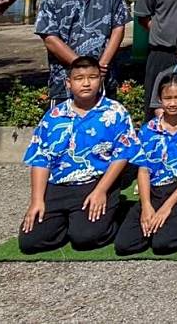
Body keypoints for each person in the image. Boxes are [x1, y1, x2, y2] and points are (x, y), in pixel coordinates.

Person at [19, 56, 137, 254]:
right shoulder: (54, 116)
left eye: (92, 77)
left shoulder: (115, 112)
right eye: (79, 78)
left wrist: (101, 190)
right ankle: (66, 222)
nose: (86, 83)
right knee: (30, 242)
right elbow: (40, 158)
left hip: (96, 182)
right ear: (68, 83)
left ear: (100, 80)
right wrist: (36, 200)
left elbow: (122, 155)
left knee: (86, 238)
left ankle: (114, 212)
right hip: (59, 185)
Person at [115, 73, 177, 256]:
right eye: (168, 98)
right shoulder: (148, 130)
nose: (173, 103)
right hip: (155, 190)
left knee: (163, 244)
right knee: (125, 245)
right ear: (159, 99)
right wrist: (146, 205)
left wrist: (167, 207)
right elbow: (143, 170)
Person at [34, 0, 128, 103]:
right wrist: (84, 68)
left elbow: (118, 28)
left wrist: (101, 66)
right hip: (65, 83)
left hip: (104, 80)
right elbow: (50, 38)